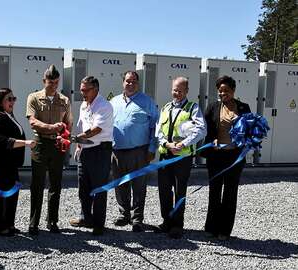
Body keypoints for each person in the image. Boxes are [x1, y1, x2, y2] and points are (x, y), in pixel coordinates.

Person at [155, 77, 207, 239]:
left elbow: (201, 130)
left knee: (179, 191)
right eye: (174, 90)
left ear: (186, 91)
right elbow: (158, 132)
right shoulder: (165, 107)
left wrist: (183, 144)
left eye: (180, 90)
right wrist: (166, 144)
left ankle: (177, 225)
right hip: (165, 154)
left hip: (182, 158)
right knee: (164, 190)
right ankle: (167, 221)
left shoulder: (193, 108)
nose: (176, 93)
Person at [108, 71, 158, 232]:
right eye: (128, 81)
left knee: (139, 186)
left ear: (138, 83)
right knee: (120, 184)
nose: (131, 84)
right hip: (117, 151)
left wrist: (152, 149)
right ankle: (124, 215)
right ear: (123, 82)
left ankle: (137, 218)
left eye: (134, 81)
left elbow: (155, 128)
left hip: (139, 152)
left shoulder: (147, 102)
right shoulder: (113, 102)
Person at [202, 75, 251, 241]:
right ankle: (211, 228)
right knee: (214, 192)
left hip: (234, 157)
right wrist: (211, 141)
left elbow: (250, 131)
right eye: (220, 91)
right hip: (216, 156)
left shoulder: (244, 108)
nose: (223, 94)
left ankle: (225, 230)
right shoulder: (212, 107)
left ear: (233, 90)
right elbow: (205, 130)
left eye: (227, 91)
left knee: (230, 193)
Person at [25, 65, 72, 235]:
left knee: (56, 185)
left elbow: (69, 124)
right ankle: (33, 223)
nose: (54, 85)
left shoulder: (64, 100)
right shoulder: (34, 98)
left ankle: (52, 221)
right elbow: (33, 122)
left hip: (57, 145)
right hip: (41, 144)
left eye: (56, 82)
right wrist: (52, 127)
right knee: (37, 185)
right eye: (50, 82)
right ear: (44, 81)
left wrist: (65, 137)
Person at [0, 88, 36, 236]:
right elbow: (3, 141)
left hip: (10, 164)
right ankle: (0, 227)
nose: (12, 102)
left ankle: (9, 224)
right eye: (9, 99)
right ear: (0, 101)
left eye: (14, 98)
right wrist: (26, 143)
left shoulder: (9, 116)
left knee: (12, 192)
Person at [69, 76, 113, 235]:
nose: (82, 93)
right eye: (81, 90)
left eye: (85, 90)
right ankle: (86, 217)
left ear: (95, 89)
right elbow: (82, 125)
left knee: (99, 189)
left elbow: (96, 129)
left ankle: (99, 224)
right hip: (86, 150)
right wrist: (79, 145)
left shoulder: (104, 105)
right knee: (84, 187)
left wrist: (77, 138)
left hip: (100, 151)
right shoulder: (83, 105)